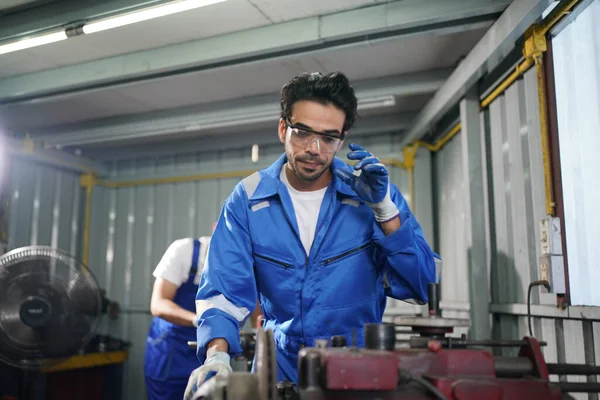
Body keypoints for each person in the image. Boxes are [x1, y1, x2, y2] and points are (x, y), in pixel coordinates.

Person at [184, 72, 438, 398]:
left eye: (329, 138)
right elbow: (223, 292)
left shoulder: (375, 197)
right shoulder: (247, 200)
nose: (314, 149)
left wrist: (385, 213)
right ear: (282, 129)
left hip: (361, 371)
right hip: (280, 368)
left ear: (341, 141)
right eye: (302, 133)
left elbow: (422, 286)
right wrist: (217, 355)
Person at [144, 236, 211, 400]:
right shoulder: (184, 251)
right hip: (170, 353)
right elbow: (158, 304)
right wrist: (198, 320)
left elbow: (256, 309)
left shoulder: (240, 263)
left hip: (206, 353)